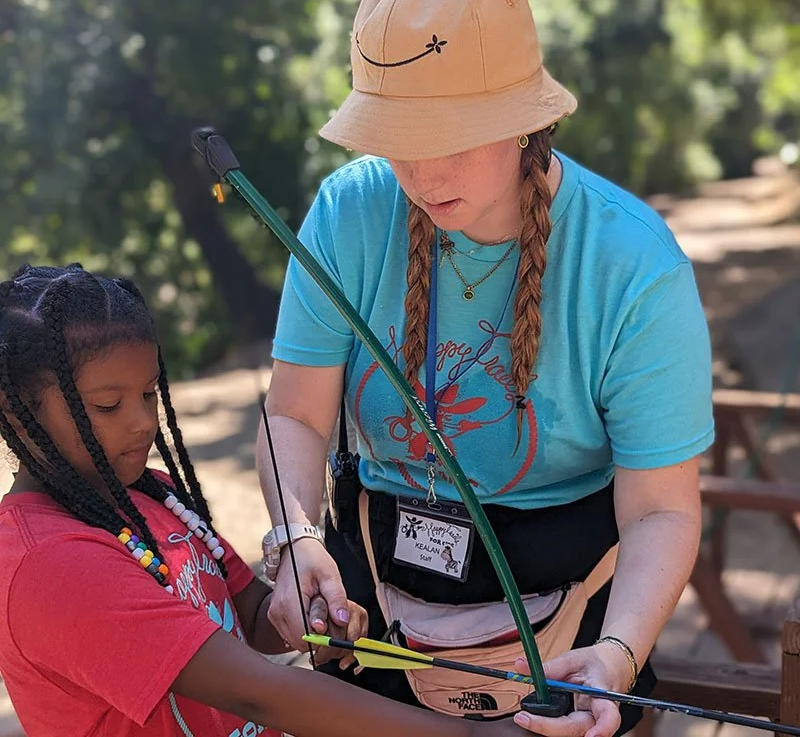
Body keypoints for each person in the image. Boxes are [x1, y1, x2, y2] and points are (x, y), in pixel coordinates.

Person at [258, 0, 714, 737]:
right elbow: (294, 415)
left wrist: (617, 652)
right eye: (397, 141)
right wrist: (295, 539)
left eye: (453, 139)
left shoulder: (632, 266)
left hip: (570, 625)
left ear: (526, 121)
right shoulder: (347, 214)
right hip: (376, 604)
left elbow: (660, 510)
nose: (423, 175)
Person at [0, 263, 525, 737]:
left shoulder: (152, 493)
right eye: (108, 405)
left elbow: (250, 616)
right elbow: (257, 694)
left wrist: (310, 616)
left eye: (148, 393)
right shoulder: (49, 562)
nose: (143, 423)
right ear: (16, 412)